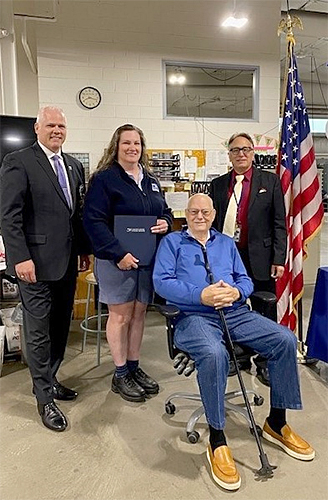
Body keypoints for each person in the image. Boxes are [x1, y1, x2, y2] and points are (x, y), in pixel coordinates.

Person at [153, 194, 314, 491]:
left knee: (284, 339)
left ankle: (276, 423)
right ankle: (217, 438)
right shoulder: (172, 243)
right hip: (193, 317)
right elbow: (161, 282)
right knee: (214, 353)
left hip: (235, 312)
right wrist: (200, 295)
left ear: (214, 215)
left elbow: (246, 280)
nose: (199, 216)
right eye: (193, 212)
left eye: (205, 212)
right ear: (185, 214)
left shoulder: (226, 244)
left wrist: (237, 293)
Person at [0, 106, 90, 432]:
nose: (57, 130)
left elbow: (75, 215)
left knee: (60, 328)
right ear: (37, 128)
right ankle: (43, 398)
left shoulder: (74, 166)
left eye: (61, 125)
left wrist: (82, 252)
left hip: (66, 263)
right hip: (33, 266)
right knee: (38, 333)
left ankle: (50, 380)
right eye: (50, 125)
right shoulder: (18, 161)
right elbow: (9, 216)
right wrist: (20, 257)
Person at [83, 124, 172, 403]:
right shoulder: (105, 179)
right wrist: (117, 253)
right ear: (116, 147)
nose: (132, 148)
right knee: (120, 316)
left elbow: (165, 211)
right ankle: (120, 373)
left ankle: (134, 366)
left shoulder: (151, 180)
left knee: (139, 314)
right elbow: (93, 221)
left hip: (146, 260)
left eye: (137, 143)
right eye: (127, 143)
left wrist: (165, 223)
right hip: (116, 260)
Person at [209, 133, 287, 385]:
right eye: (235, 150)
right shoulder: (219, 185)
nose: (240, 154)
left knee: (264, 309)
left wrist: (278, 258)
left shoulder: (270, 181)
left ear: (253, 153)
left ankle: (265, 361)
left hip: (262, 258)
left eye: (245, 149)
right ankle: (239, 355)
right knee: (233, 308)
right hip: (229, 259)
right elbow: (213, 224)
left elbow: (279, 223)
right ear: (229, 154)